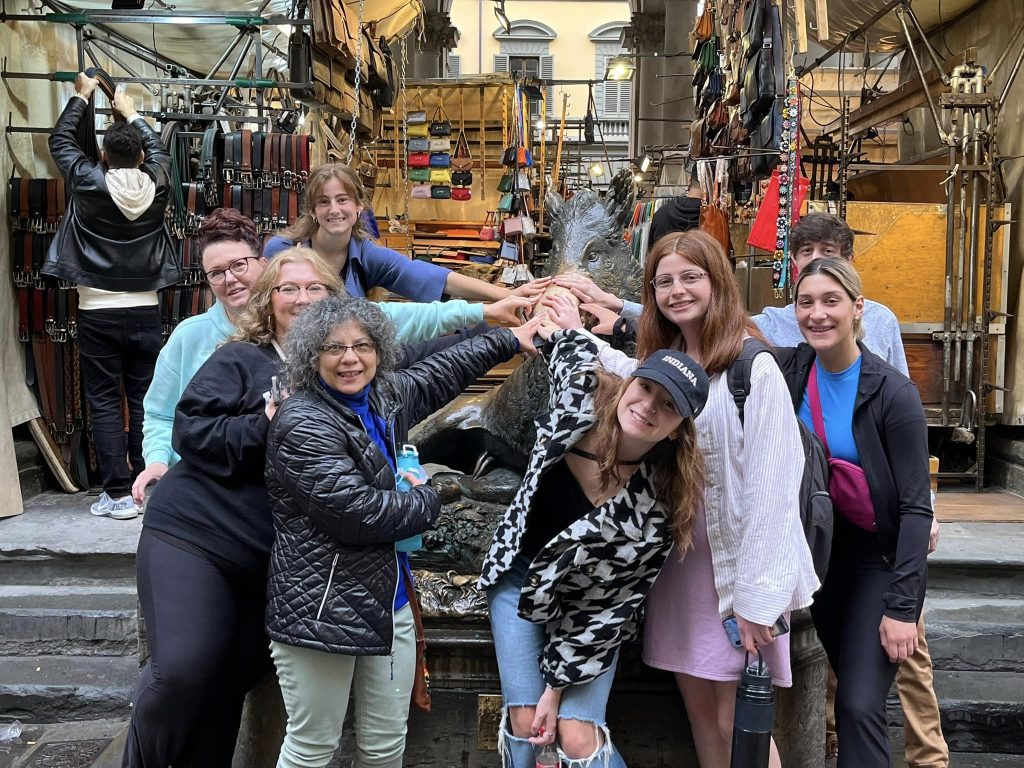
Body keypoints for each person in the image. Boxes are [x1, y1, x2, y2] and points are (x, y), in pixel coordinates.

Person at [122, 247, 520, 766]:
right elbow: (190, 432)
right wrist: (264, 422)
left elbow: (430, 355)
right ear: (269, 299)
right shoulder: (243, 359)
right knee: (183, 669)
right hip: (201, 533)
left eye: (316, 289)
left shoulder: (350, 371)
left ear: (337, 300)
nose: (304, 298)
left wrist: (509, 329)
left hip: (271, 547)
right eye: (289, 288)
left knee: (232, 674)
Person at [541, 230, 819, 768]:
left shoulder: (751, 367)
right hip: (683, 560)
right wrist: (569, 334)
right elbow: (630, 380)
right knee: (701, 714)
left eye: (690, 278)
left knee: (739, 719)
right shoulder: (666, 353)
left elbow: (774, 487)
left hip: (736, 570)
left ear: (717, 283)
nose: (676, 291)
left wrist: (760, 599)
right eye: (663, 281)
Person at [263, 297, 543, 768]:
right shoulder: (303, 421)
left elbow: (440, 373)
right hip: (322, 607)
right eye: (334, 348)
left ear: (379, 351)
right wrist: (436, 495)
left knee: (385, 746)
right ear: (313, 356)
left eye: (362, 346)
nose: (350, 359)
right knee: (312, 748)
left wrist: (510, 339)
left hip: (389, 602)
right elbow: (358, 513)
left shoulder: (382, 395)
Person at [131, 209, 532, 505]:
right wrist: (156, 461)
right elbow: (168, 415)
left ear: (262, 266)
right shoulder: (204, 343)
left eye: (238, 265)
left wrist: (491, 317)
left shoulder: (340, 340)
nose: (230, 278)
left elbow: (414, 323)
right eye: (216, 273)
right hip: (217, 496)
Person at [752, 212, 947, 768]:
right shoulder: (788, 373)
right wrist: (614, 316)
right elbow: (709, 332)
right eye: (806, 302)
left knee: (860, 705)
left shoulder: (893, 394)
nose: (818, 313)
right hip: (821, 563)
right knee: (846, 703)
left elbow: (914, 506)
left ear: (859, 307)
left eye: (831, 300)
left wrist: (904, 608)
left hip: (875, 562)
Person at [478, 325, 709, 768]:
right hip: (519, 576)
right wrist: (556, 319)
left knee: (576, 736)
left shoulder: (655, 511)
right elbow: (569, 347)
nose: (647, 407)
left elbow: (604, 609)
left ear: (679, 429)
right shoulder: (580, 399)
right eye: (645, 387)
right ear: (629, 383)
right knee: (526, 729)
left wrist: (555, 689)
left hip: (587, 610)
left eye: (668, 405)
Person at [43, 73, 182, 519]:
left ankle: (119, 496)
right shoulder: (158, 181)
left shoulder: (86, 179)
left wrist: (81, 95)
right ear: (141, 156)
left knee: (104, 401)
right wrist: (132, 111)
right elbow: (160, 149)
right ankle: (149, 485)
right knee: (146, 400)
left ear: (102, 155)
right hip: (146, 311)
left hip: (95, 311)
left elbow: (60, 141)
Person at [264, 163, 543, 302]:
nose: (334, 210)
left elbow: (436, 278)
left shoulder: (366, 256)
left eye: (342, 200)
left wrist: (507, 296)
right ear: (312, 209)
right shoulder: (282, 251)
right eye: (323, 202)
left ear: (359, 206)